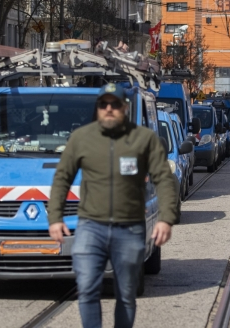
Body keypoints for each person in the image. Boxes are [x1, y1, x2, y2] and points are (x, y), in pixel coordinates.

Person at [48, 83, 178, 328]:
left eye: (115, 104)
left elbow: (163, 178)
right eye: (103, 104)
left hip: (129, 229)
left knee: (126, 294)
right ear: (98, 108)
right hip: (90, 228)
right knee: (87, 289)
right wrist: (55, 217)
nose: (109, 109)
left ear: (125, 108)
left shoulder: (144, 139)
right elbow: (62, 178)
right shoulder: (81, 138)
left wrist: (166, 218)